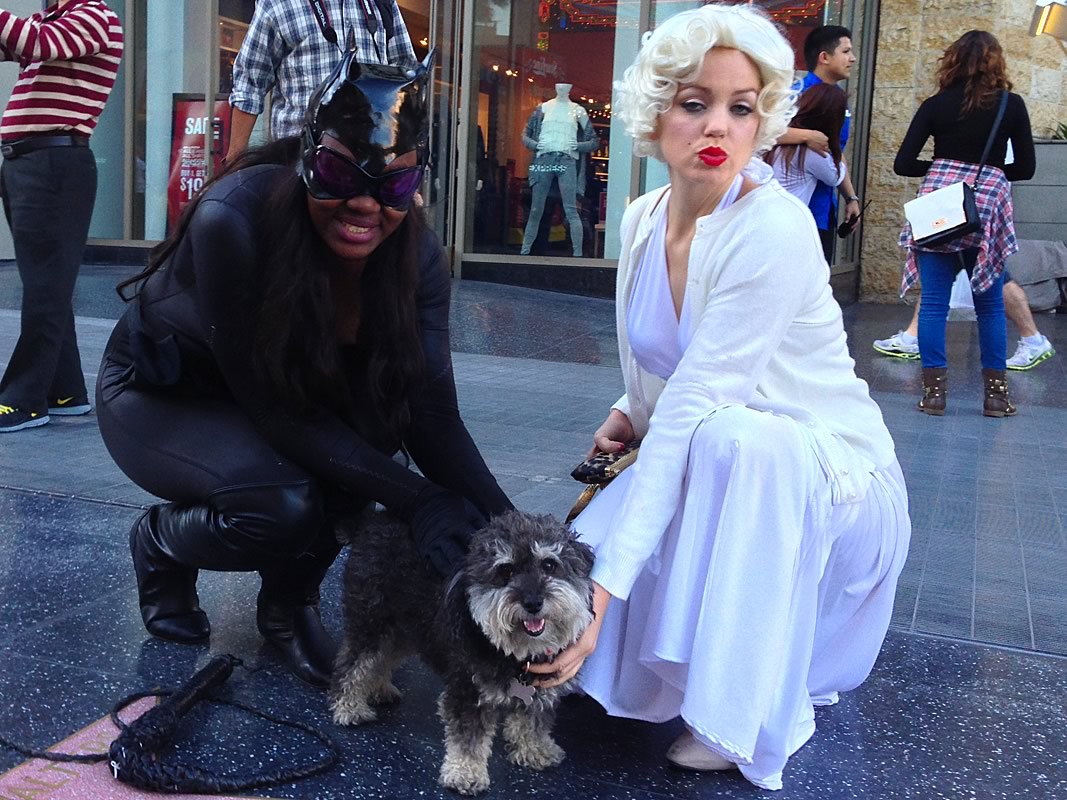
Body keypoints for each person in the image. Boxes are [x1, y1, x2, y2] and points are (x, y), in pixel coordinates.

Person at [525, 5, 910, 791]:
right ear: (654, 113)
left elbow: (701, 401)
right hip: (719, 452)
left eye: (741, 108)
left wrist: (602, 601)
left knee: (735, 439)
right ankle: (669, 664)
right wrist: (629, 408)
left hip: (829, 485)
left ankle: (744, 713)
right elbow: (672, 361)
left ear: (762, 120)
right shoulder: (642, 218)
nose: (717, 127)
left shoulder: (772, 227)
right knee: (674, 477)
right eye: (694, 102)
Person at [96, 48, 513, 688]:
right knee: (284, 504)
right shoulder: (233, 218)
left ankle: (287, 603)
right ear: (308, 159)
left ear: (417, 183)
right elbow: (272, 410)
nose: (364, 206)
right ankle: (162, 541)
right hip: (164, 393)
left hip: (279, 395)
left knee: (374, 440)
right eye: (340, 175)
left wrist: (514, 534)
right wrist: (420, 497)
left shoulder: (419, 257)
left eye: (392, 186)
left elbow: (430, 412)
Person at [894, 30, 1036, 416]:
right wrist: (986, 174)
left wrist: (944, 170)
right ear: (997, 62)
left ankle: (933, 395)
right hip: (985, 211)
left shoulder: (935, 105)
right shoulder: (1011, 105)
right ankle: (996, 398)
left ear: (952, 61)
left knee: (933, 303)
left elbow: (903, 164)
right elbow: (1026, 167)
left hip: (939, 211)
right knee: (989, 306)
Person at [0, 0, 124, 433]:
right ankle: (66, 390)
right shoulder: (50, 20)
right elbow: (16, 41)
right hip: (29, 162)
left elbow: (37, 42)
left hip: (55, 163)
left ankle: (24, 399)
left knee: (45, 286)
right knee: (47, 283)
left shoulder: (95, 16)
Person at [227, 0, 415, 159]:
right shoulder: (277, 3)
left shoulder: (381, 3)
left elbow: (406, 73)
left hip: (369, 160)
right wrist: (235, 161)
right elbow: (249, 83)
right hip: (300, 162)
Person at [775, 25, 860, 261]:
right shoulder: (795, 94)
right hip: (789, 212)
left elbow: (835, 151)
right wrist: (806, 136)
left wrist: (851, 197)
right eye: (846, 51)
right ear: (824, 57)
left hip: (824, 207)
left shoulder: (837, 98)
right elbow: (762, 132)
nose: (853, 59)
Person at [872, 279, 1055, 370]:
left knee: (995, 279)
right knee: (938, 275)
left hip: (965, 223)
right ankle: (913, 337)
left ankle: (1033, 340)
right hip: (965, 222)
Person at [765, 83, 848, 205]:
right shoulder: (813, 154)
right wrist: (833, 145)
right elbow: (836, 177)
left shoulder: (779, 141)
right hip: (788, 214)